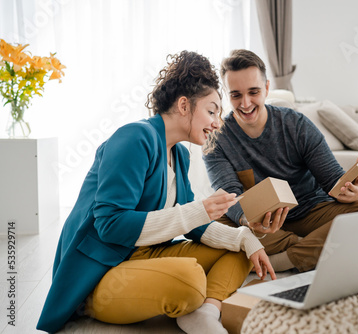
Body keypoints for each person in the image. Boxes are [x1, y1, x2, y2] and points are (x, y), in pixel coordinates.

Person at [37, 51, 275, 334]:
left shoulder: (180, 156)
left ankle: (205, 311)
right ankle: (87, 303)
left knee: (239, 250)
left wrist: (245, 237)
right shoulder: (134, 138)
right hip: (103, 272)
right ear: (184, 105)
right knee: (190, 279)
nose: (216, 123)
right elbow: (110, 225)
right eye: (211, 111)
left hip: (145, 257)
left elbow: (195, 226)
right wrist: (199, 210)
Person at [203, 49, 358, 273]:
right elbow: (228, 195)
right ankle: (315, 249)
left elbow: (331, 180)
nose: (246, 103)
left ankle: (287, 258)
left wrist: (349, 190)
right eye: (236, 95)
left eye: (254, 92)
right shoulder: (215, 137)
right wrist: (247, 221)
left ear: (267, 88)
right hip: (262, 223)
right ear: (226, 94)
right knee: (207, 222)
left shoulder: (296, 124)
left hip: (311, 212)